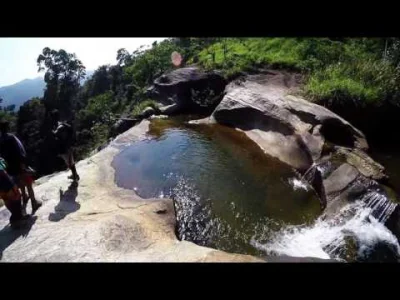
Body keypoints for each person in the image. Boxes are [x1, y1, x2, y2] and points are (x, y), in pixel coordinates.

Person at [0, 121, 42, 214]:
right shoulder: (11, 137)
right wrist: (24, 163)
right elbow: (20, 150)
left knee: (20, 183)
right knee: (28, 184)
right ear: (7, 127)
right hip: (18, 165)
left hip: (9, 169)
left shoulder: (0, 140)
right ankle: (34, 203)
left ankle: (24, 198)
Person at [51, 110, 80, 182]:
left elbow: (56, 134)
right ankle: (74, 174)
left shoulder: (59, 126)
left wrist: (53, 132)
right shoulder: (62, 123)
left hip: (64, 148)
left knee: (70, 163)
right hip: (67, 146)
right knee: (70, 162)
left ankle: (75, 177)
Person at [0, 156, 29, 228]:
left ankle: (16, 218)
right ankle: (17, 218)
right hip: (3, 179)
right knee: (16, 196)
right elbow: (3, 165)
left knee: (6, 198)